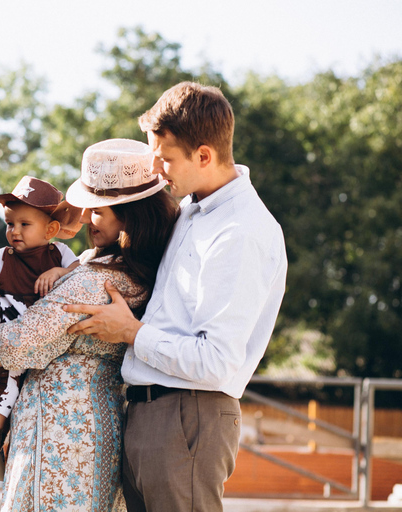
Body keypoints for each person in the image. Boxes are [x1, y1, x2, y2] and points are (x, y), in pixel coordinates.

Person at [64, 82, 288, 511]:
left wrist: (131, 333)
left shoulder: (240, 232)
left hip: (189, 418)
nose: (156, 169)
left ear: (204, 156)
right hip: (151, 414)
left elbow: (216, 361)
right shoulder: (191, 210)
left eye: (165, 158)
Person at [0, 138, 179, 511]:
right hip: (99, 419)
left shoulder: (97, 282)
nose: (87, 219)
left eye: (99, 212)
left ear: (129, 216)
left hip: (61, 428)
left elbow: (17, 344)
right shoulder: (132, 272)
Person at [0, 175, 83, 488]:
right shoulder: (1, 258)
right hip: (10, 344)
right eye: (10, 224)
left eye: (25, 224)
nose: (14, 231)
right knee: (4, 394)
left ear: (50, 230)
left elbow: (81, 272)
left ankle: (22, 450)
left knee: (33, 397)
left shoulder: (59, 254)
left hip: (47, 343)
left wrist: (60, 271)